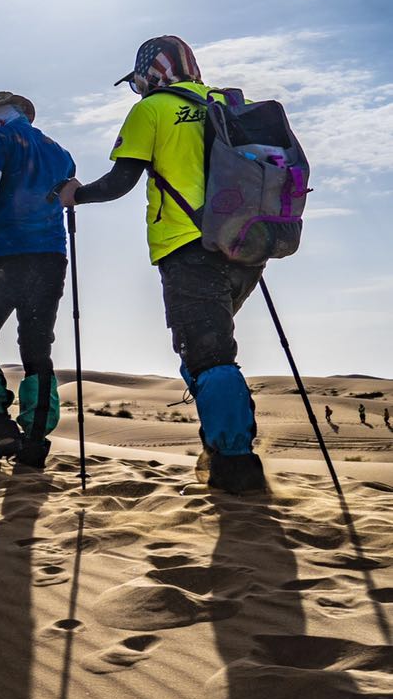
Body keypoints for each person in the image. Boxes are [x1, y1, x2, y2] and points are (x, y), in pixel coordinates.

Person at [60, 35, 264, 493]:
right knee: (204, 349)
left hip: (187, 245)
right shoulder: (228, 102)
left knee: (209, 355)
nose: (138, 92)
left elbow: (119, 181)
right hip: (249, 247)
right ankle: (220, 444)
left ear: (153, 75)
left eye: (138, 83)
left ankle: (235, 464)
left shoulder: (151, 110)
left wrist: (76, 195)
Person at [0, 91, 74, 470]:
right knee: (37, 346)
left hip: (0, 255)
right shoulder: (61, 152)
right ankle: (36, 440)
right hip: (50, 257)